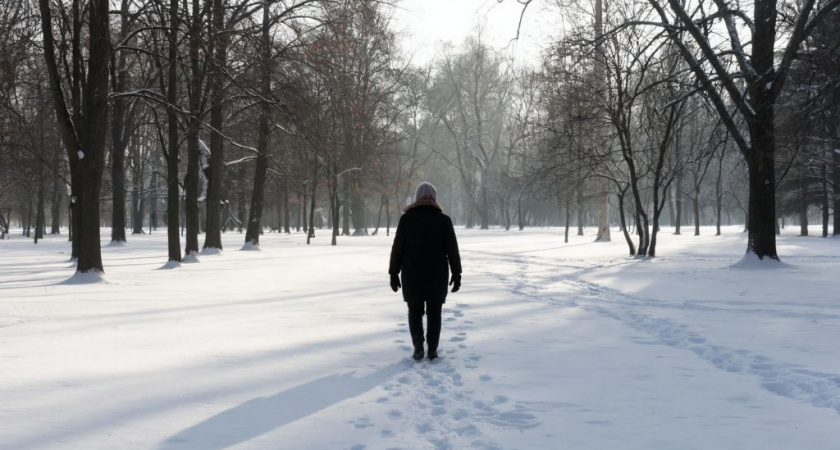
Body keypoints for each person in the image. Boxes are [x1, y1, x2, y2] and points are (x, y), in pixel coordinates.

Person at [389, 182, 462, 361]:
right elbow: (452, 249)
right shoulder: (443, 220)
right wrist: (457, 273)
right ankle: (432, 350)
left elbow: (397, 247)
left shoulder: (406, 219)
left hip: (412, 274)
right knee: (434, 312)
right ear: (434, 198)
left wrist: (393, 273)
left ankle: (418, 346)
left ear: (416, 197)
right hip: (437, 275)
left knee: (414, 311)